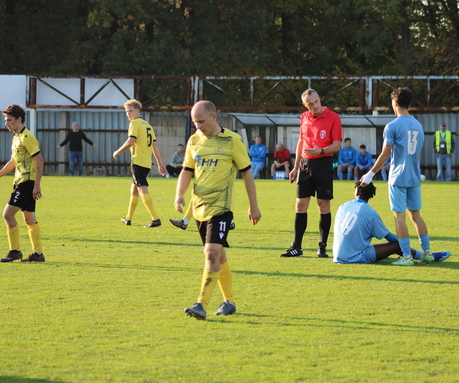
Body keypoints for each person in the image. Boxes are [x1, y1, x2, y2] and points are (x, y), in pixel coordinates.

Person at [176, 101, 261, 320]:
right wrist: (180, 194)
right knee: (219, 255)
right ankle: (229, 302)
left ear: (214, 116)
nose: (198, 126)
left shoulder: (233, 140)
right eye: (195, 122)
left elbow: (247, 174)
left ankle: (200, 304)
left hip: (221, 209)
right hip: (199, 208)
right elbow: (186, 170)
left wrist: (253, 206)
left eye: (201, 121)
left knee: (211, 252)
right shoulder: (194, 140)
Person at [360, 87, 435, 266]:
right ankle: (427, 253)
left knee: (399, 217)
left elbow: (385, 154)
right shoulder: (418, 125)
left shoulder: (392, 126)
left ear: (394, 103)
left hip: (398, 177)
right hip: (414, 177)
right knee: (416, 215)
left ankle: (407, 257)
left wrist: (370, 174)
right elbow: (418, 154)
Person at [280, 89, 342, 258]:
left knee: (323, 205)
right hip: (305, 165)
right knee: (300, 205)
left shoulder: (333, 117)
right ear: (304, 105)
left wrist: (320, 151)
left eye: (316, 102)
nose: (314, 106)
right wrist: (295, 166)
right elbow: (301, 141)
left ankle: (322, 247)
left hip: (323, 164)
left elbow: (337, 145)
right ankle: (296, 247)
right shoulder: (304, 117)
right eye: (310, 104)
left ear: (319, 98)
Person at [333, 182, 451, 264]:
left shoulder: (343, 206)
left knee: (392, 246)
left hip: (337, 255)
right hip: (354, 257)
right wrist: (402, 250)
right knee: (398, 245)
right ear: (371, 195)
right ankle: (423, 255)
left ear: (357, 191)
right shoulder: (370, 212)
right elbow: (389, 237)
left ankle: (408, 254)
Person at [0, 104, 45, 263]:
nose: (6, 124)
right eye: (5, 120)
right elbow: (14, 161)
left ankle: (15, 251)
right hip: (20, 181)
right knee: (29, 219)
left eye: (9, 120)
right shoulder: (16, 137)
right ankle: (38, 254)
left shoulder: (27, 137)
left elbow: (39, 160)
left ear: (19, 119)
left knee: (7, 214)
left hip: (26, 182)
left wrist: (37, 184)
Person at [113, 99, 166, 228]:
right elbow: (154, 146)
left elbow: (131, 141)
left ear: (138, 111)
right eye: (126, 111)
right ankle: (128, 218)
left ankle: (155, 219)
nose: (128, 114)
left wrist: (117, 152)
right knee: (134, 189)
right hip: (147, 163)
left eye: (130, 111)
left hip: (137, 161)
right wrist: (160, 164)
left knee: (142, 188)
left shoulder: (134, 123)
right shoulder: (148, 125)